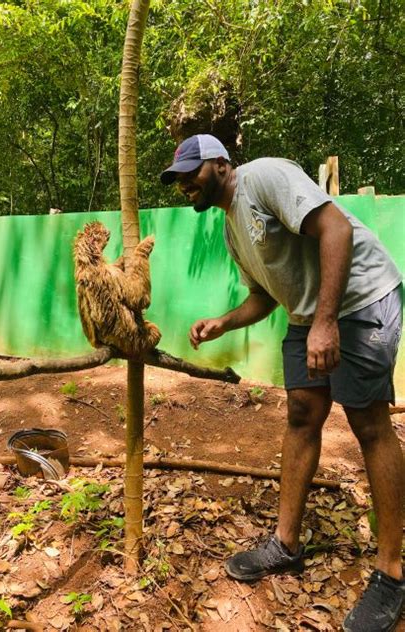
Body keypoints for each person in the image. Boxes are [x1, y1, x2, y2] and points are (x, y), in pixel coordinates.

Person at [160, 134, 404, 632]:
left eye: (192, 170)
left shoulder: (264, 176)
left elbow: (336, 228)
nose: (184, 182)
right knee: (301, 415)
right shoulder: (231, 229)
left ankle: (392, 572)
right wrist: (222, 322)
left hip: (359, 302)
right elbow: (267, 296)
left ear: (222, 163)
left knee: (369, 424)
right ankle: (286, 543)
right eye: (178, 176)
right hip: (308, 315)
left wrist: (327, 321)